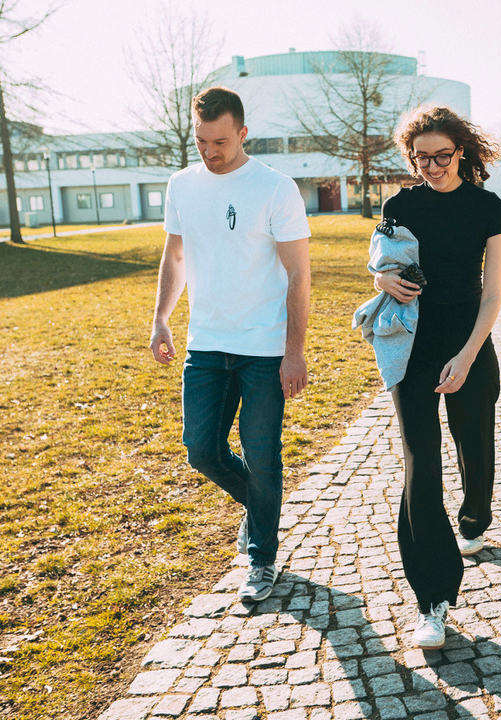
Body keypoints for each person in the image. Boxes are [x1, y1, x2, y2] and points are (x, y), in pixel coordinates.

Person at [149, 86, 311, 604]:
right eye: (200, 140)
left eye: (219, 140)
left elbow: (299, 275)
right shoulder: (182, 185)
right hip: (206, 345)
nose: (209, 151)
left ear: (242, 133)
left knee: (262, 458)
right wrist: (161, 319)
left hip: (264, 348)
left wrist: (294, 351)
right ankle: (260, 510)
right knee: (203, 451)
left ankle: (261, 557)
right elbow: (174, 257)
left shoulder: (275, 188)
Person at [375, 106, 501, 650]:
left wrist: (468, 355)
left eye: (442, 156)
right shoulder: (399, 204)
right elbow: (385, 258)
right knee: (419, 464)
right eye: (420, 157)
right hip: (412, 348)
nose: (431, 167)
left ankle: (476, 515)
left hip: (469, 341)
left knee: (474, 450)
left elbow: (495, 293)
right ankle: (433, 598)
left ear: (462, 151)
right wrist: (382, 276)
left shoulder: (489, 208)